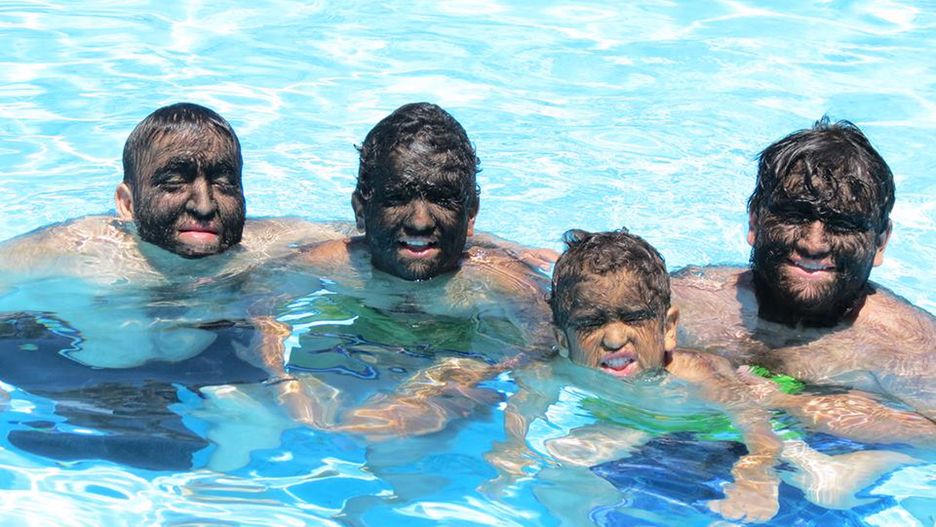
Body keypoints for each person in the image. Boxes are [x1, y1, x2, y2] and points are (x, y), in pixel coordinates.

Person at [487, 229, 932, 523]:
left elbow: (752, 420)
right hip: (650, 425)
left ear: (668, 328)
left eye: (634, 319)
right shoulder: (550, 369)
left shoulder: (694, 373)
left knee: (821, 481)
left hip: (728, 422)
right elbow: (525, 404)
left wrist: (756, 470)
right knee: (564, 460)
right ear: (562, 338)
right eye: (590, 323)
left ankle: (864, 464)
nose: (615, 338)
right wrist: (512, 448)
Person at [260, 102, 554, 432]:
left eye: (441, 199)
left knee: (400, 447)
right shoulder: (334, 264)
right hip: (358, 352)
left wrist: (458, 379)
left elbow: (546, 345)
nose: (419, 222)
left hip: (460, 364)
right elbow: (256, 304)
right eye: (397, 199)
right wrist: (279, 378)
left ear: (470, 214)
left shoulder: (497, 280)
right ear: (361, 210)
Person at [670, 118, 935, 418]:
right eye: (794, 216)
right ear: (754, 222)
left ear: (881, 242)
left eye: (843, 224)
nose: (813, 244)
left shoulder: (911, 348)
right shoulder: (686, 300)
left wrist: (807, 407)